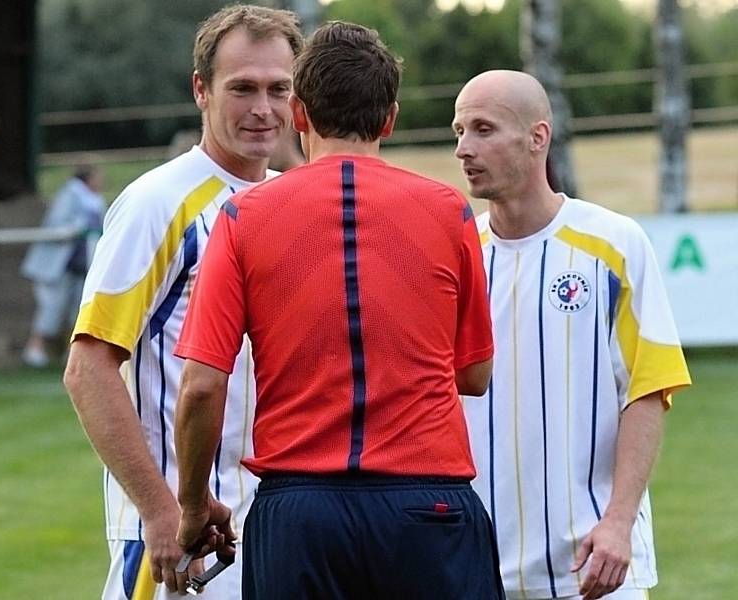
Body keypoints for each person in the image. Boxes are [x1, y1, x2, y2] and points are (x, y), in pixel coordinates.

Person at [174, 22, 504, 599]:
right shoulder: (448, 211)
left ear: (298, 113)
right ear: (390, 118)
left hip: (301, 510)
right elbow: (474, 374)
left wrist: (194, 506)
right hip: (429, 504)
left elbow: (203, 386)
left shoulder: (242, 218)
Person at [62, 6, 302, 599]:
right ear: (201, 90)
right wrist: (161, 508)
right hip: (180, 538)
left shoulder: (292, 202)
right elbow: (88, 368)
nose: (262, 109)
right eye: (241, 88)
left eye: (278, 89)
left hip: (276, 528)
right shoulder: (157, 204)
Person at [452, 70, 692, 600]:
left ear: (538, 137)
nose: (464, 148)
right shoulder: (457, 253)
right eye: (459, 131)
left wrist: (619, 522)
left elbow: (649, 389)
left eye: (483, 129)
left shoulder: (613, 243)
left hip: (592, 562)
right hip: (473, 565)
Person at [20, 165, 106, 367]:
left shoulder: (97, 200)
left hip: (82, 265)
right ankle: (35, 348)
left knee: (78, 310)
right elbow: (57, 224)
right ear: (89, 177)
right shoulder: (69, 195)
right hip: (58, 267)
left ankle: (71, 353)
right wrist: (78, 226)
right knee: (51, 309)